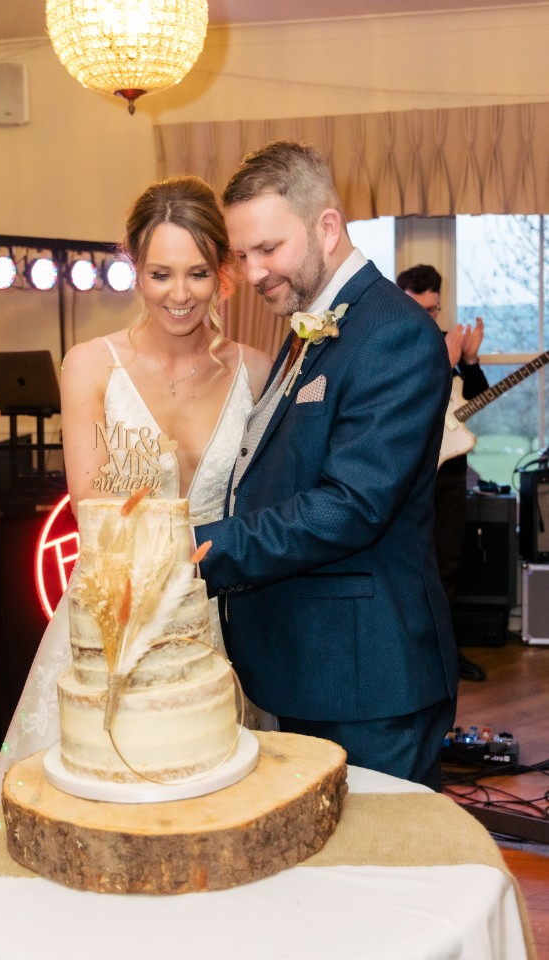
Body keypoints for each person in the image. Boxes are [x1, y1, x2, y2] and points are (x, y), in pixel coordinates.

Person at [0, 175, 274, 814]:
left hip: (234, 612)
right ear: (133, 268)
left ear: (223, 271)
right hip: (123, 614)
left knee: (222, 808)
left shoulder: (255, 368)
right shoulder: (90, 364)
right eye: (160, 273)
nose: (179, 294)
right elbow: (92, 509)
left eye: (197, 273)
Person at [195, 141, 458, 790]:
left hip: (368, 681)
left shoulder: (391, 331)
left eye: (269, 249)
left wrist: (199, 549)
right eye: (242, 254)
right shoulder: (312, 322)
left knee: (375, 879)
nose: (253, 272)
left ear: (328, 227)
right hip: (307, 666)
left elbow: (350, 505)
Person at [396, 264, 489, 682]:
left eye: (433, 310)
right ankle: (409, 658)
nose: (428, 318)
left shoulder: (446, 342)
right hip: (406, 474)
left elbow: (476, 398)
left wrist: (468, 362)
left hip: (449, 474)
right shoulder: (390, 343)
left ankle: (447, 657)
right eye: (420, 308)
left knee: (447, 563)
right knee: (408, 565)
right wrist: (442, 364)